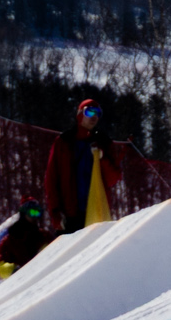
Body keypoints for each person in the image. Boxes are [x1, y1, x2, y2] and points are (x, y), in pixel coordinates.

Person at [42, 98, 125, 233]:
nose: (94, 117)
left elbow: (113, 179)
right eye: (90, 112)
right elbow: (51, 179)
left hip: (97, 212)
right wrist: (55, 211)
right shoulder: (63, 142)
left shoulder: (104, 142)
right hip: (69, 213)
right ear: (80, 114)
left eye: (98, 113)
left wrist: (102, 158)